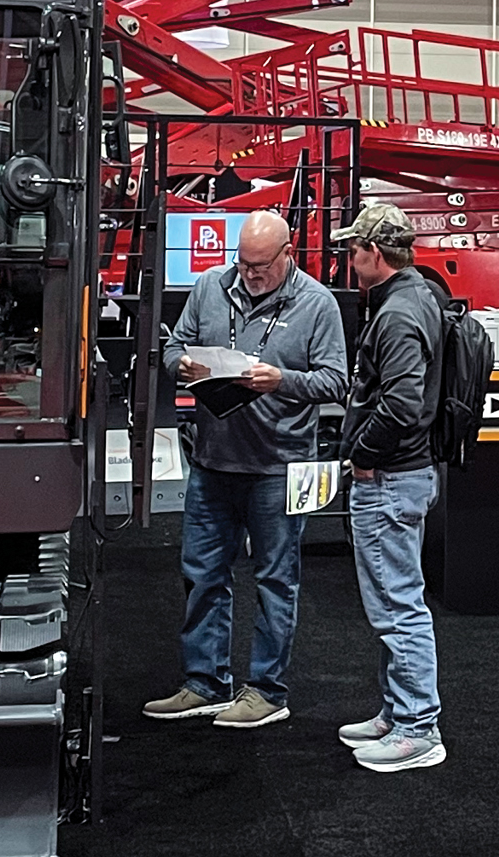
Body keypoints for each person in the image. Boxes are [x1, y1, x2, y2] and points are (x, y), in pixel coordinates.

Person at [144, 210, 349, 729]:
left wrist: (281, 381)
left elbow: (334, 382)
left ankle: (266, 691)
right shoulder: (211, 286)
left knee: (275, 579)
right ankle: (205, 682)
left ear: (288, 254)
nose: (250, 275)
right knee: (201, 574)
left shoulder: (317, 304)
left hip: (279, 465)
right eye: (243, 264)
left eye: (260, 267)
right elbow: (172, 347)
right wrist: (181, 365)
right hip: (213, 460)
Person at [331, 203, 449, 772]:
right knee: (393, 601)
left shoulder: (399, 314)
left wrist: (364, 455)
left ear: (374, 254)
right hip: (404, 475)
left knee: (398, 607)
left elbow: (402, 405)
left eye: (353, 251)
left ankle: (417, 728)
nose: (349, 261)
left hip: (392, 476)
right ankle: (398, 710)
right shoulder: (418, 297)